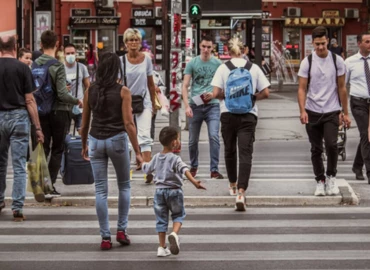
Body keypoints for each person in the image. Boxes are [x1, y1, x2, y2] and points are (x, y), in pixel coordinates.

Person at [80, 52, 143, 250]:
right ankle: (122, 230)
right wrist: (138, 151)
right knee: (124, 185)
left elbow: (84, 124)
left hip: (96, 141)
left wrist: (84, 145)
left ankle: (105, 237)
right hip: (117, 140)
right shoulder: (123, 91)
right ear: (117, 69)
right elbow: (129, 123)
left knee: (100, 189)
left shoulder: (91, 90)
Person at [211, 38, 270, 211]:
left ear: (228, 52)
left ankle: (232, 184)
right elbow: (266, 93)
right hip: (248, 115)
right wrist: (252, 97)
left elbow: (215, 93)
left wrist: (228, 97)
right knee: (246, 153)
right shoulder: (253, 68)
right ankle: (242, 192)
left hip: (227, 114)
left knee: (230, 150)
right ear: (244, 50)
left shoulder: (223, 68)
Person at [297, 26, 351, 197]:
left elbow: (342, 88)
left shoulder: (337, 61)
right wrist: (302, 110)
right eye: (317, 44)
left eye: (323, 43)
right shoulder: (308, 62)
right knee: (316, 149)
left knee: (332, 145)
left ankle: (331, 177)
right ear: (312, 43)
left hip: (332, 111)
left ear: (328, 41)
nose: (320, 47)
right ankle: (320, 181)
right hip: (312, 111)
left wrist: (345, 112)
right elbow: (301, 88)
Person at [141, 126, 206, 257]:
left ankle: (161, 247)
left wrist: (141, 162)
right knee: (178, 215)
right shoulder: (175, 158)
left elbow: (147, 169)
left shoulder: (156, 157)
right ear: (174, 143)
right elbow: (184, 170)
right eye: (178, 138)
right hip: (175, 192)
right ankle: (174, 234)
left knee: (161, 219)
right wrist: (194, 182)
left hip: (159, 192)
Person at [33, 30, 82, 196]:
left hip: (40, 111)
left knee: (44, 147)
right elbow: (62, 94)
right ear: (56, 45)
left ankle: (39, 184)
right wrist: (77, 100)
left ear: (41, 44)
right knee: (57, 149)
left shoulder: (35, 64)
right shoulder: (57, 65)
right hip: (59, 112)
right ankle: (50, 185)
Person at [0, 35, 44, 220]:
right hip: (19, 117)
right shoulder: (23, 68)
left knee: (0, 163)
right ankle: (17, 207)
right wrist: (38, 128)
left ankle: (0, 200)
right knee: (18, 165)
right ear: (15, 47)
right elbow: (30, 100)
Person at [182, 36, 224, 179]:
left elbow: (223, 85)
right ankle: (193, 166)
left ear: (213, 48)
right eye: (204, 47)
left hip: (213, 105)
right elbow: (185, 85)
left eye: (209, 47)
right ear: (199, 47)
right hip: (196, 104)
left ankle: (214, 169)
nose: (206, 50)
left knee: (214, 136)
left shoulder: (218, 64)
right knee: (193, 139)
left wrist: (214, 94)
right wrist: (186, 106)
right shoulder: (192, 63)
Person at [121, 28, 157, 183]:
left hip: (144, 100)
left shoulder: (146, 59)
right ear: (126, 43)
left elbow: (150, 83)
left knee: (144, 135)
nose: (134, 43)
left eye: (136, 40)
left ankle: (147, 170)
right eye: (130, 40)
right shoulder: (121, 61)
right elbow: (118, 84)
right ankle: (126, 171)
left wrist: (154, 103)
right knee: (127, 136)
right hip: (126, 101)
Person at [346, 33, 370, 183]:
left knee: (365, 137)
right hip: (358, 102)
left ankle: (357, 165)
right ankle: (369, 172)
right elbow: (342, 86)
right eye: (367, 41)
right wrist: (342, 110)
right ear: (359, 43)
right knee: (366, 135)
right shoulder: (349, 62)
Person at [64, 44, 90, 132]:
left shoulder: (82, 67)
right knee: (65, 133)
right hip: (65, 106)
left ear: (76, 54)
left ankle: (83, 146)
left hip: (79, 104)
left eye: (72, 53)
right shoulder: (60, 68)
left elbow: (88, 86)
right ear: (64, 54)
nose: (70, 55)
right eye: (68, 53)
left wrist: (86, 102)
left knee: (82, 131)